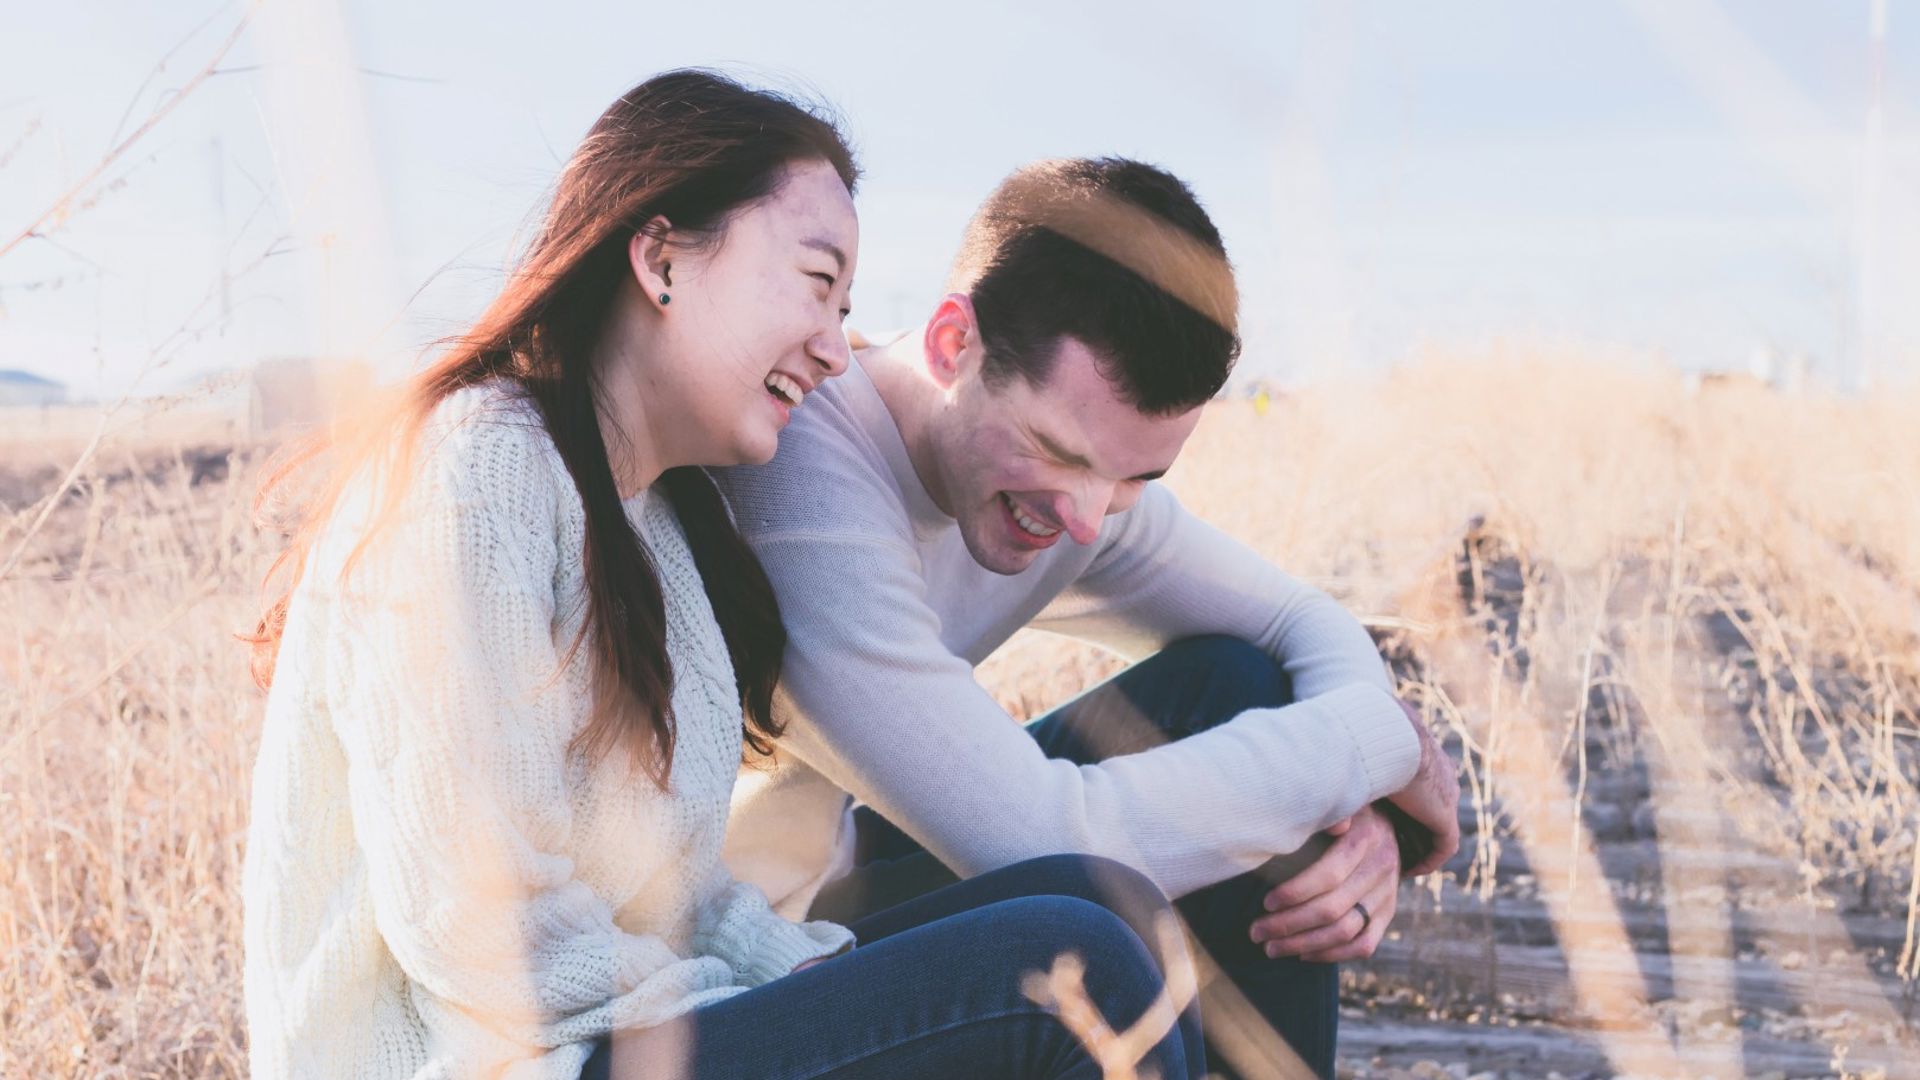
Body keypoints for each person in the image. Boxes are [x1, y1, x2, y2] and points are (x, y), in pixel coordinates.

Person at [241, 73, 1201, 1080]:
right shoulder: (475, 471)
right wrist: (764, 1008)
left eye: (845, 308)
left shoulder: (654, 523)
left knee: (1105, 899)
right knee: (1073, 967)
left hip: (615, 1032)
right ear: (661, 259)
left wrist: (799, 976)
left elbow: (677, 894)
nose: (835, 350)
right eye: (816, 284)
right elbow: (475, 922)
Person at [715, 157, 1463, 1079]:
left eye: (1136, 476)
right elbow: (1043, 840)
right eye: (1057, 452)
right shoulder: (801, 475)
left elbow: (1298, 620)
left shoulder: (1081, 489)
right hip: (729, 966)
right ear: (954, 344)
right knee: (1101, 926)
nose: (1086, 516)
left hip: (831, 880)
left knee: (1240, 686)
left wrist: (1359, 811)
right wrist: (1376, 747)